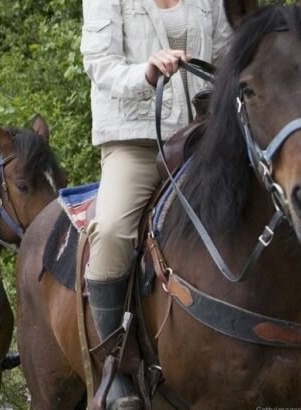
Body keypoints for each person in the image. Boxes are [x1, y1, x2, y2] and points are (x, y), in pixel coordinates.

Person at [80, 0, 231, 408]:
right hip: (137, 140)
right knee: (111, 232)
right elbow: (99, 63)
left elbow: (227, 56)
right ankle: (117, 368)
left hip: (204, 137)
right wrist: (145, 71)